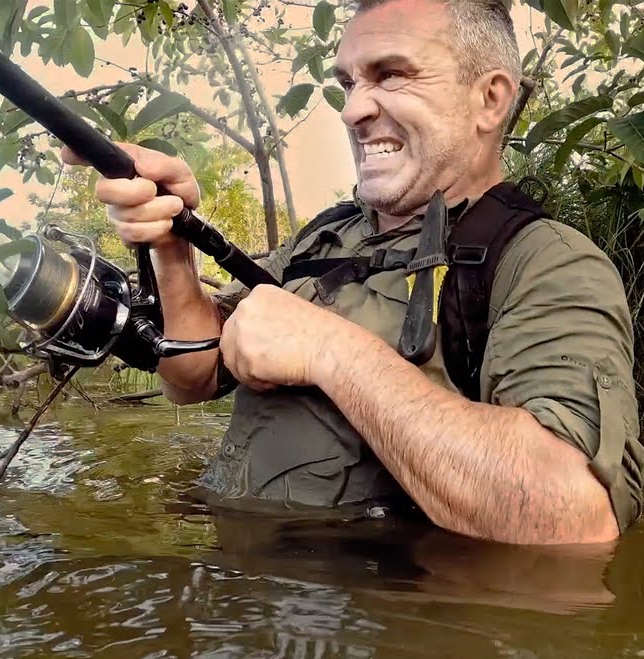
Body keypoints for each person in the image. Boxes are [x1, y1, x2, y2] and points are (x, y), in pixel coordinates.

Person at [61, 0, 644, 545]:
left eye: (391, 74)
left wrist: (332, 350)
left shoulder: (545, 261)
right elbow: (191, 377)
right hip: (242, 611)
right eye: (348, 82)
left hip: (379, 629)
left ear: (489, 100)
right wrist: (173, 246)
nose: (353, 109)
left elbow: (576, 515)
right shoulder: (327, 233)